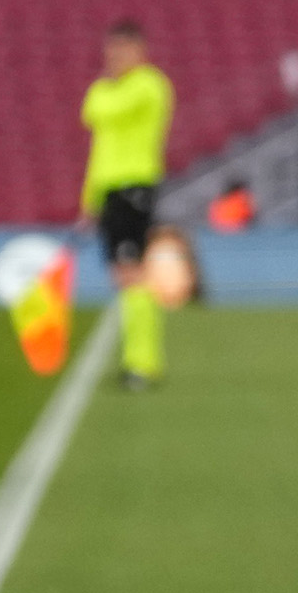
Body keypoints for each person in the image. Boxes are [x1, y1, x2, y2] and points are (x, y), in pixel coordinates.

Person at [78, 20, 175, 390]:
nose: (113, 58)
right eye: (109, 51)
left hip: (135, 186)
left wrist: (105, 91)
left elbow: (102, 110)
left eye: (121, 50)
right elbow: (98, 140)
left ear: (139, 50)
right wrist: (89, 200)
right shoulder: (111, 89)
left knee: (132, 273)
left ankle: (143, 363)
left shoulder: (150, 84)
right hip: (110, 190)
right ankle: (138, 359)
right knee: (124, 275)